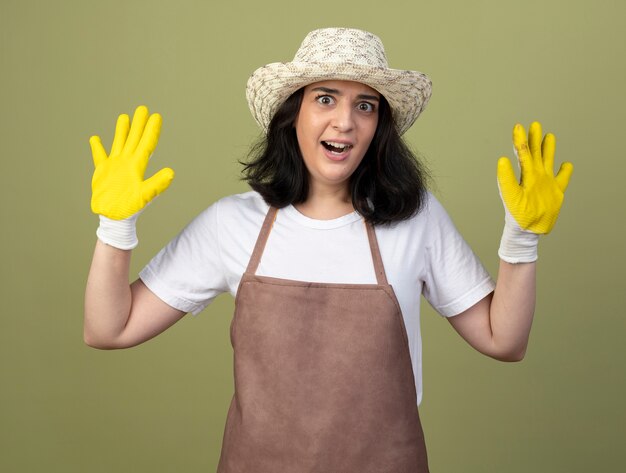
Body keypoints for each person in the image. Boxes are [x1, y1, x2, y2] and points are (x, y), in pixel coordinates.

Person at [84, 28, 573, 472]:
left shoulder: (415, 219)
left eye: (366, 105)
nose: (345, 122)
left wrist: (520, 240)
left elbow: (503, 341)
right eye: (325, 98)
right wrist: (115, 226)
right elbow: (109, 328)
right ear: (293, 112)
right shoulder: (232, 223)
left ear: (378, 127)